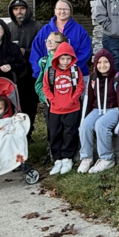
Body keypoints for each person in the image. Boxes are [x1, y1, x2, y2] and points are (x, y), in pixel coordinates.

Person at [42, 41, 85, 175]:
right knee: (55, 133)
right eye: (63, 58)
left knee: (69, 133)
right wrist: (53, 99)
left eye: (68, 58)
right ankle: (57, 159)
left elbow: (80, 86)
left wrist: (73, 99)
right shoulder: (50, 72)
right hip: (55, 109)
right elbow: (46, 88)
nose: (66, 61)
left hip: (72, 109)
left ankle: (67, 158)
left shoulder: (75, 71)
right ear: (57, 58)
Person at [78, 48, 119, 174]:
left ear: (111, 63)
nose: (102, 65)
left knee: (101, 125)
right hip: (97, 109)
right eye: (99, 62)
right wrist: (85, 116)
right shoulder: (93, 78)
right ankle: (86, 157)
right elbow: (89, 98)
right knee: (85, 126)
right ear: (95, 64)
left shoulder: (118, 77)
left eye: (106, 62)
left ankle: (106, 158)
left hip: (113, 109)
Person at [30, 0, 93, 82]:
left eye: (65, 9)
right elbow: (35, 52)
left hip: (75, 75)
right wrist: (39, 72)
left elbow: (85, 52)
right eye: (59, 9)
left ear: (70, 11)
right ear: (55, 11)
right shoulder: (45, 30)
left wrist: (69, 69)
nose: (62, 11)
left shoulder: (79, 30)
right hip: (49, 76)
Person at [7, 0, 42, 139]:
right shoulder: (8, 28)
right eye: (15, 9)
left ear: (27, 10)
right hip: (13, 73)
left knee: (30, 105)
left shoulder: (37, 27)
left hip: (31, 72)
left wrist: (25, 52)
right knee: (15, 103)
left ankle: (28, 134)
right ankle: (15, 133)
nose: (19, 11)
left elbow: (41, 48)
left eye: (22, 8)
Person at [35, 31, 68, 108]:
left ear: (62, 44)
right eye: (48, 40)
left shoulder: (68, 61)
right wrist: (44, 97)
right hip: (50, 102)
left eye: (53, 41)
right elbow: (39, 83)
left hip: (67, 102)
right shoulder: (44, 61)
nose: (49, 43)